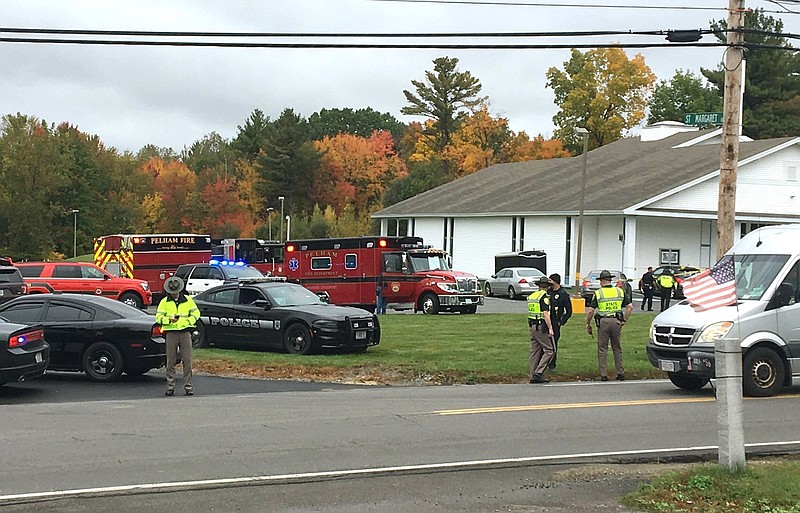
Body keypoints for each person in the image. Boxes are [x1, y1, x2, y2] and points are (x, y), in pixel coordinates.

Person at [156, 276, 200, 396]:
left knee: (187, 360)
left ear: (179, 290)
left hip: (185, 332)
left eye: (176, 291)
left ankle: (188, 386)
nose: (174, 293)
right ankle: (170, 387)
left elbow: (196, 313)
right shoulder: (164, 302)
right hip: (171, 333)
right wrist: (169, 320)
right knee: (170, 361)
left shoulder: (187, 300)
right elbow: (158, 317)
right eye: (172, 291)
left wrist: (188, 322)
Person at [585, 269, 632, 382]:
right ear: (610, 280)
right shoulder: (619, 291)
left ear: (601, 281)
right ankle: (620, 373)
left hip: (604, 322)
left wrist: (587, 323)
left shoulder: (599, 293)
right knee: (617, 348)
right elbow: (630, 307)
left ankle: (604, 374)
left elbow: (591, 310)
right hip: (616, 321)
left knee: (602, 349)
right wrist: (624, 320)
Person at [526, 275, 554, 384]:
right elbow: (545, 313)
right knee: (550, 350)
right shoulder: (544, 297)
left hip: (532, 325)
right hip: (540, 326)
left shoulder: (533, 296)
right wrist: (550, 328)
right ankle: (539, 372)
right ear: (547, 286)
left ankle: (532, 375)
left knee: (535, 351)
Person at [546, 273, 572, 372]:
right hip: (546, 320)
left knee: (553, 344)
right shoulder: (548, 292)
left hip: (555, 322)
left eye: (550, 280)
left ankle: (552, 364)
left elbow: (569, 311)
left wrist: (561, 321)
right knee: (544, 343)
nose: (549, 282)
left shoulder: (563, 294)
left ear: (555, 281)